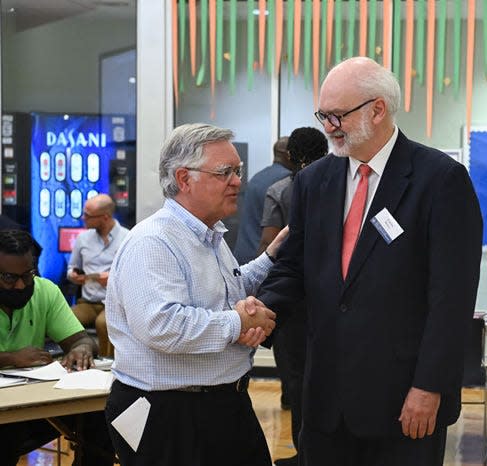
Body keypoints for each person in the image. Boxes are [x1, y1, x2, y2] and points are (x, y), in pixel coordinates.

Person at [257, 57, 483, 466]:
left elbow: (451, 299)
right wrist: (263, 309)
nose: (328, 126)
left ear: (378, 109)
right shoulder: (313, 182)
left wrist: (429, 386)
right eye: (323, 115)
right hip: (326, 402)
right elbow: (293, 267)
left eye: (337, 115)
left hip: (403, 403)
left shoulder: (440, 180)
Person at [104, 123, 284, 466]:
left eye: (237, 170)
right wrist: (240, 321)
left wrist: (271, 257)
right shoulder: (154, 242)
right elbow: (162, 324)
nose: (237, 181)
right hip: (171, 414)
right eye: (225, 172)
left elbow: (224, 290)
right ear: (184, 179)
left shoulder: (209, 236)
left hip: (221, 404)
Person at [0, 229, 114, 466]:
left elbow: (82, 340)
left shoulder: (45, 291)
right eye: (9, 278)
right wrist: (11, 357)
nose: (21, 285)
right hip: (6, 409)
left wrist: (81, 349)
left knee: (99, 417)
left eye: (28, 274)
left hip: (33, 400)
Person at [259, 126, 328, 466]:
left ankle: (304, 453)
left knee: (297, 378)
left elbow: (271, 243)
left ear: (290, 156)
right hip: (329, 297)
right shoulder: (341, 184)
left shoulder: (281, 190)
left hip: (294, 297)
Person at [67, 194, 129, 357]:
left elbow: (134, 275)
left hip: (114, 302)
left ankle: (107, 366)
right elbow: (72, 267)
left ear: (105, 217)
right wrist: (73, 275)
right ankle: (72, 361)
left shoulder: (127, 237)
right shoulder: (82, 238)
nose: (83, 218)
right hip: (87, 302)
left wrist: (112, 278)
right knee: (65, 320)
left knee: (105, 323)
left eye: (88, 215)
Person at [234, 136, 294, 265]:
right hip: (262, 257)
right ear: (288, 154)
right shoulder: (285, 183)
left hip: (242, 254)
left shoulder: (257, 177)